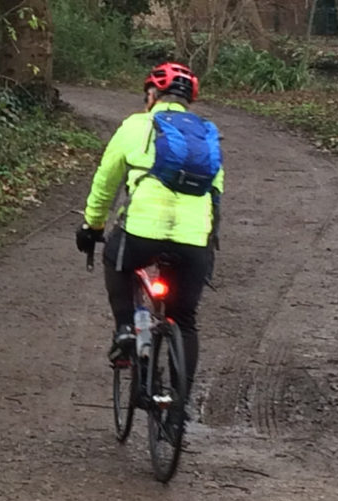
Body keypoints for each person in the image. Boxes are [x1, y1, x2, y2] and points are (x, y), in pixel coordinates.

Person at [76, 61, 225, 405]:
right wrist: (208, 241)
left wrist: (93, 225)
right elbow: (216, 193)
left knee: (115, 259)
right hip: (193, 239)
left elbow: (106, 180)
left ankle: (126, 329)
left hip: (142, 233)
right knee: (184, 319)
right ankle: (179, 409)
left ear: (152, 94)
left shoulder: (136, 125)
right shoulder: (206, 133)